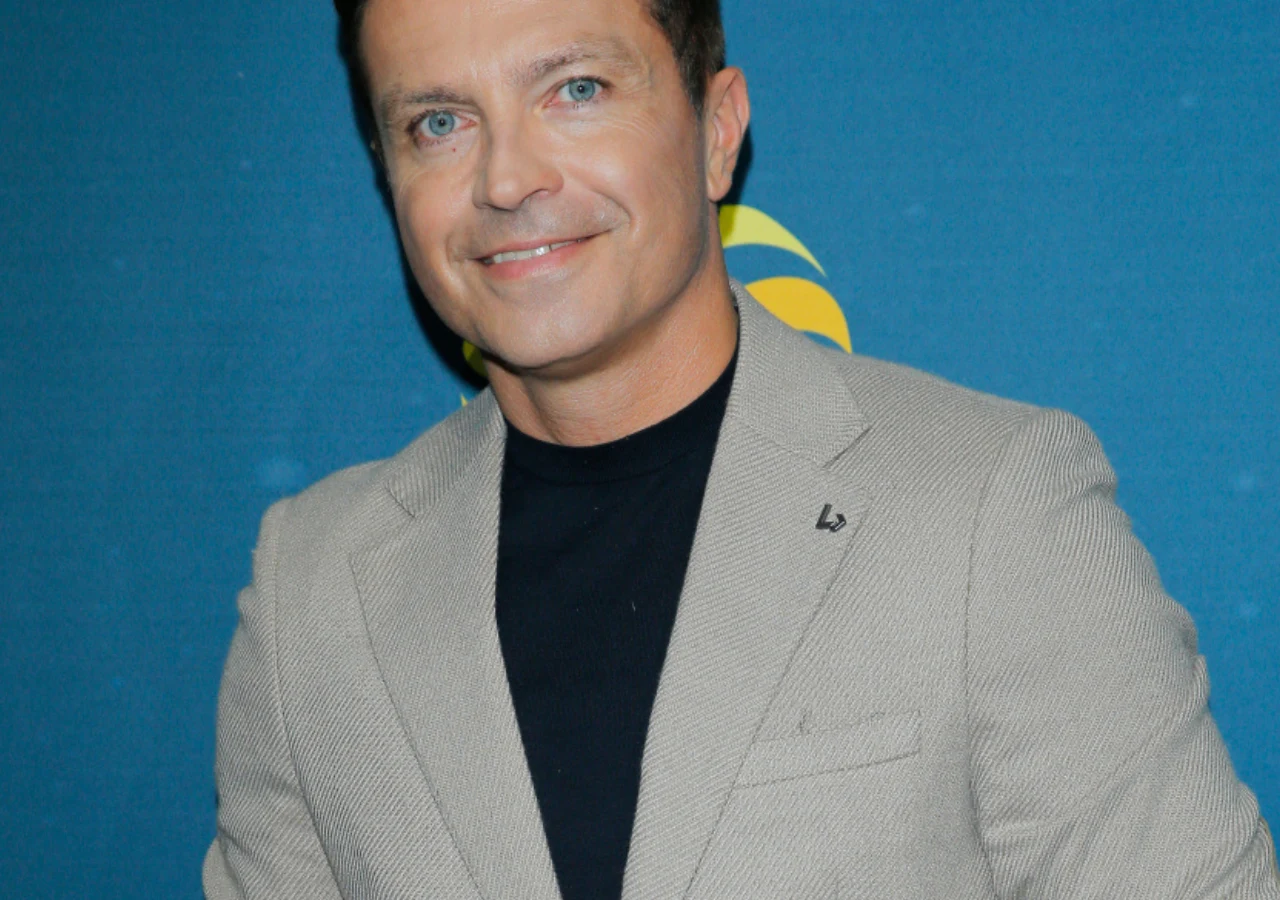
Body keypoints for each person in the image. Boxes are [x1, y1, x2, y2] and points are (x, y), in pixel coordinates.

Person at [203, 0, 1280, 896]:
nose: (506, 177)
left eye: (575, 89)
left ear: (716, 131)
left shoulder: (990, 509)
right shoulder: (310, 591)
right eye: (438, 122)